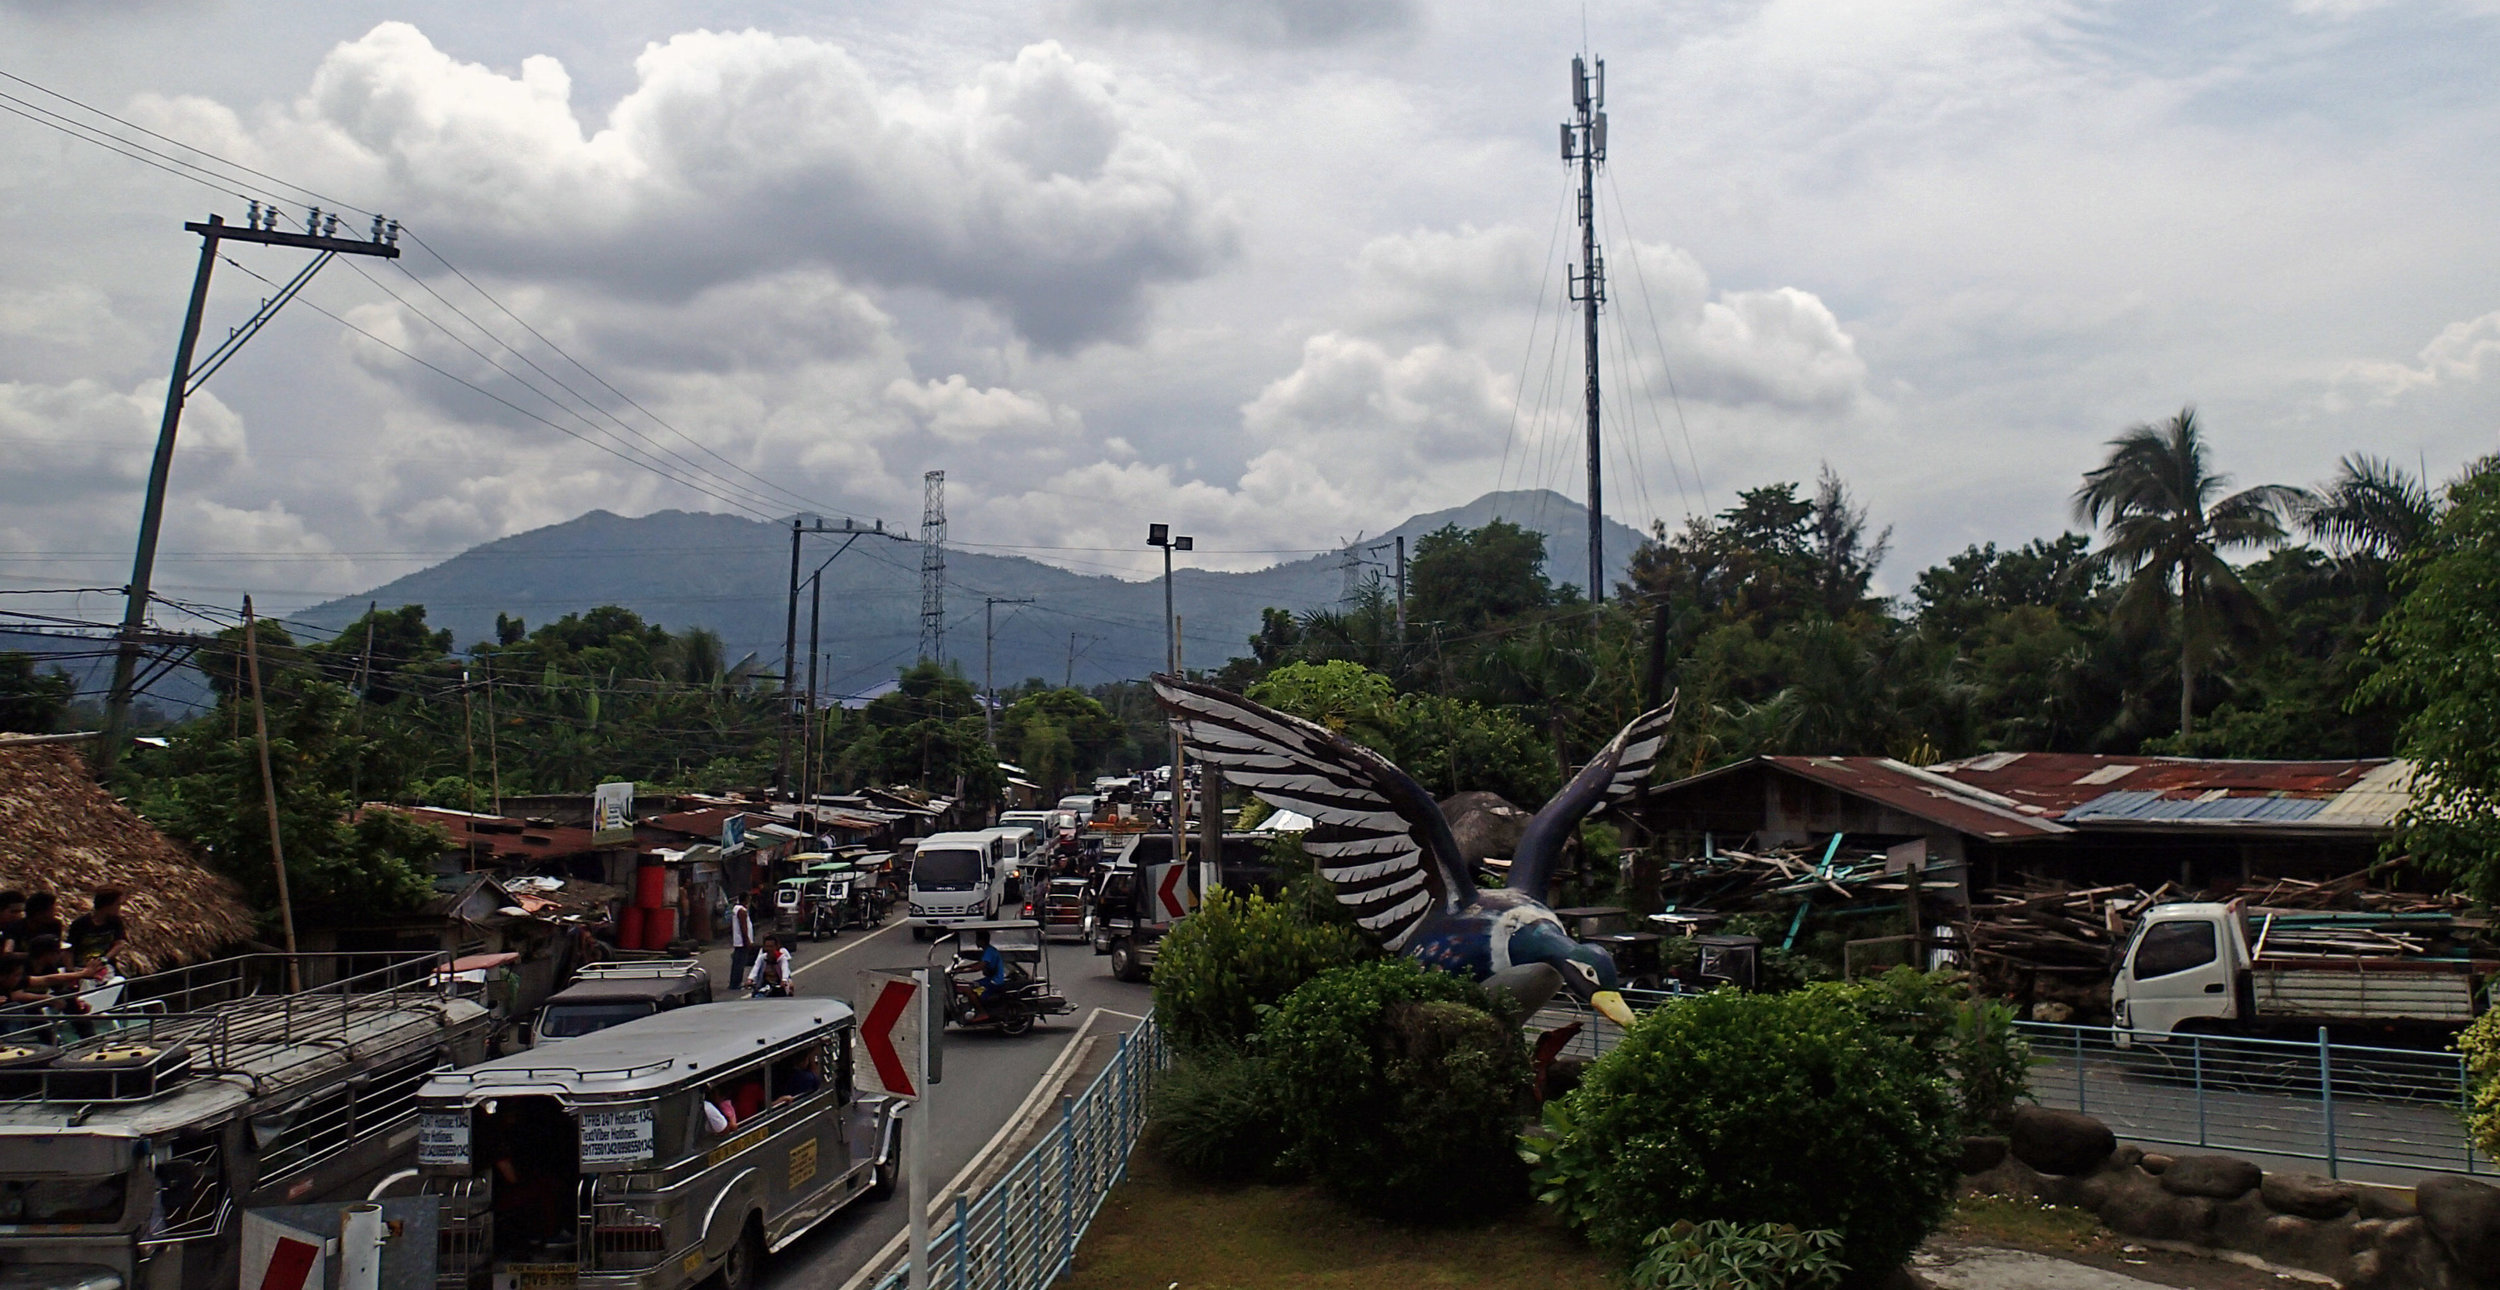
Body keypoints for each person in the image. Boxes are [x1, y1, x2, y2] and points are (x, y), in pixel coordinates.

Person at [66, 888, 126, 971]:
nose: (119, 908)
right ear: (107, 905)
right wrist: (70, 970)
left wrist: (104, 959)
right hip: (82, 967)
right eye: (117, 904)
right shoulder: (81, 923)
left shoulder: (115, 922)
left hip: (104, 966)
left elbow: (119, 943)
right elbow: (69, 949)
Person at [728, 897, 756, 987]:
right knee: (740, 963)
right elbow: (743, 927)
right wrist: (747, 940)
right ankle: (736, 983)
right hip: (742, 942)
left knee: (737, 963)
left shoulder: (736, 909)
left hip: (739, 941)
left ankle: (734, 982)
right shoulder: (742, 911)